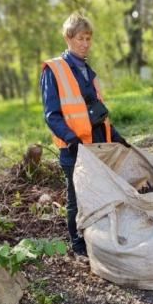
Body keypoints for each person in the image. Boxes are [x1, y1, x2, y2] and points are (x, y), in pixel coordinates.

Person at [41, 13, 129, 257]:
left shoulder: (89, 72)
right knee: (76, 197)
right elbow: (51, 115)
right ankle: (78, 245)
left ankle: (99, 239)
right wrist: (71, 139)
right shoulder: (54, 70)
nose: (85, 43)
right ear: (68, 38)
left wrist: (118, 137)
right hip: (74, 148)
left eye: (88, 38)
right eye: (80, 38)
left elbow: (99, 114)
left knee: (101, 193)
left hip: (98, 145)